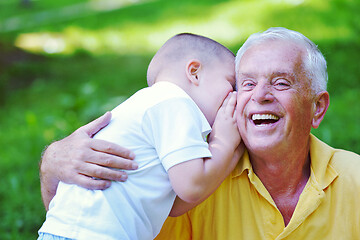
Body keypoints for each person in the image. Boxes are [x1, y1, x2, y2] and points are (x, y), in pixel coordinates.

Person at [40, 27, 360, 239]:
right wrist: (51, 163)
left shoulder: (354, 180)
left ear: (317, 108)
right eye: (244, 84)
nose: (258, 96)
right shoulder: (193, 162)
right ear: (193, 72)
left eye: (281, 82)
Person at [38, 33, 243, 240]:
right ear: (194, 72)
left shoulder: (155, 107)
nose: (235, 95)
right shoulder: (175, 102)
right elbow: (191, 187)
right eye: (231, 84)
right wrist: (223, 142)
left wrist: (232, 155)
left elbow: (175, 205)